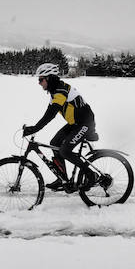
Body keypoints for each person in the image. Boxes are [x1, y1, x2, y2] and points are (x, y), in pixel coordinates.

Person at [22, 62, 98, 192]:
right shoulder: (55, 92)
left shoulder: (61, 91)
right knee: (54, 143)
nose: (39, 83)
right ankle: (62, 179)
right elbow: (48, 113)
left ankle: (92, 175)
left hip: (85, 123)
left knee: (65, 151)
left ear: (49, 78)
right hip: (75, 123)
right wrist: (35, 127)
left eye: (41, 79)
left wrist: (35, 128)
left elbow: (51, 115)